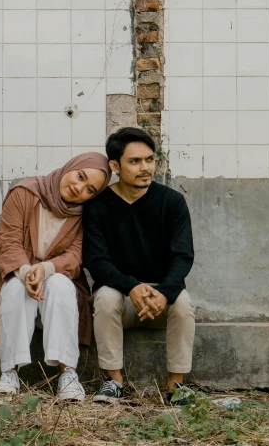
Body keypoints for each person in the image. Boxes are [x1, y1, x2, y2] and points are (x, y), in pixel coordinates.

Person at [0, 152, 111, 401]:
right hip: (19, 273)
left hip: (60, 280)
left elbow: (78, 253)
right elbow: (8, 241)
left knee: (60, 284)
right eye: (79, 176)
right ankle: (9, 373)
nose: (78, 188)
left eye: (89, 189)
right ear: (70, 167)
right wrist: (27, 272)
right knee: (16, 288)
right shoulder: (25, 193)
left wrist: (47, 269)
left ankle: (68, 374)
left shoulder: (88, 214)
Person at [83, 127, 195, 404]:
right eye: (135, 161)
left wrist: (166, 292)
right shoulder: (98, 206)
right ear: (115, 166)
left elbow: (183, 255)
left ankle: (176, 386)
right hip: (119, 296)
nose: (145, 168)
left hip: (160, 300)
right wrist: (131, 287)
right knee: (106, 297)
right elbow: (96, 261)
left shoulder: (172, 202)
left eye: (149, 159)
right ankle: (113, 382)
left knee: (182, 302)